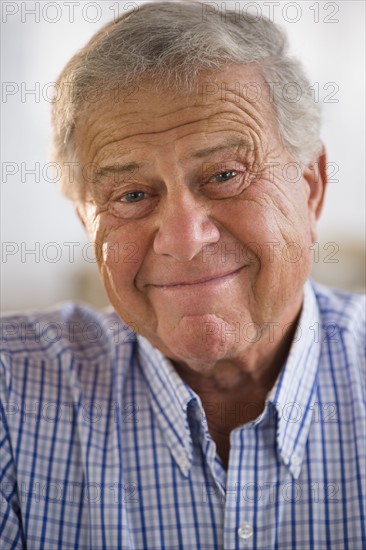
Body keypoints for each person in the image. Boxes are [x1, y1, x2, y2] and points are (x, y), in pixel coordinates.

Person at [1, 2, 365, 548]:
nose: (184, 238)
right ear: (87, 222)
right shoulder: (12, 396)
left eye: (224, 174)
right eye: (130, 195)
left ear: (311, 186)